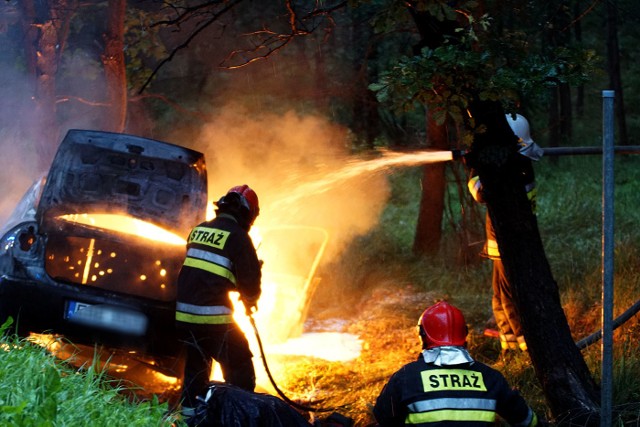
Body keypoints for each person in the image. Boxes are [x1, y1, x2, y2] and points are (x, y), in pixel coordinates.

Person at [175, 184, 263, 424]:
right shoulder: (239, 237)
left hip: (184, 317)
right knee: (240, 364)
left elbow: (209, 274)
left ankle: (188, 419)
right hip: (212, 319)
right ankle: (237, 417)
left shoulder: (198, 231)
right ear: (247, 214)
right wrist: (250, 300)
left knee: (196, 369)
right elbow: (251, 286)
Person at [373, 301, 538, 426]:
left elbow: (382, 416)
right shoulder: (490, 378)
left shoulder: (406, 377)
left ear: (423, 335)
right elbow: (527, 421)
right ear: (464, 334)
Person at [467, 114, 543, 352]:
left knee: (509, 299)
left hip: (507, 246)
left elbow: (480, 193)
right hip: (504, 245)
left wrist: (475, 166)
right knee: (499, 298)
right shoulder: (519, 167)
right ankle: (509, 344)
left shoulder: (511, 172)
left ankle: (523, 346)